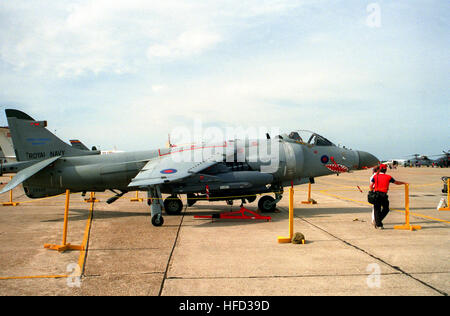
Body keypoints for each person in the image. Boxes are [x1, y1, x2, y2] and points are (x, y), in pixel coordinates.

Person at [369, 164, 408, 229]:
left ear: (379, 169)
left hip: (376, 194)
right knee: (386, 209)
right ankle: (378, 223)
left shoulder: (375, 176)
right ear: (385, 170)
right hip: (384, 195)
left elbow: (371, 186)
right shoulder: (388, 177)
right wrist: (404, 183)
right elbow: (396, 182)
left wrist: (371, 192)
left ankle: (378, 223)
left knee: (377, 210)